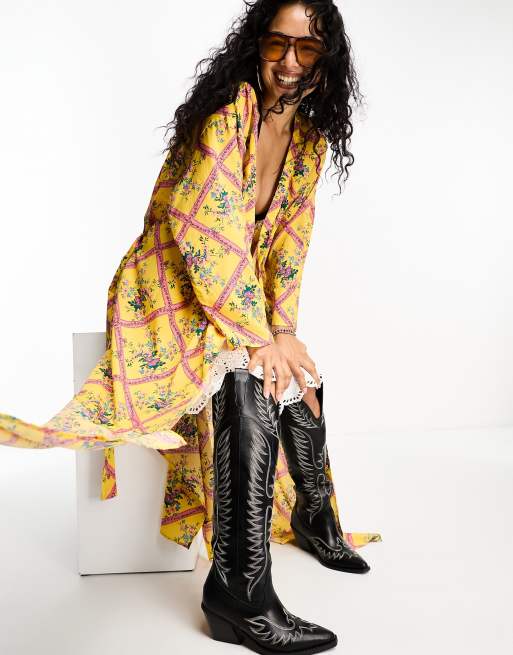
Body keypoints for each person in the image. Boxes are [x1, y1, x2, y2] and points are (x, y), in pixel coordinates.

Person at [0, 1, 381, 652]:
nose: (289, 61)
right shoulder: (227, 114)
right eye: (277, 44)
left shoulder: (309, 143)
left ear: (327, 59)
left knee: (295, 370)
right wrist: (257, 338)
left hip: (235, 296)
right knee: (248, 370)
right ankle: (239, 594)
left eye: (307, 48)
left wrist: (283, 329)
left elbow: (288, 246)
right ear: (256, 46)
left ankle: (315, 518)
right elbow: (207, 234)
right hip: (168, 287)